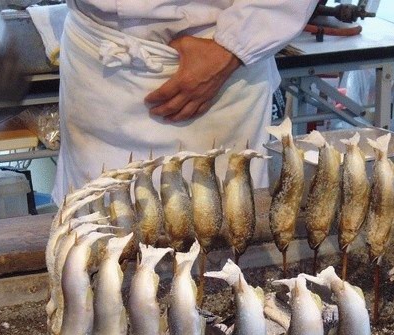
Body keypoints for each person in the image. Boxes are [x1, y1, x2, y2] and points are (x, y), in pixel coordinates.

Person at [52, 0, 318, 204]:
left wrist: (231, 49)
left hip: (217, 68)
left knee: (220, 230)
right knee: (93, 233)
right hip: (96, 69)